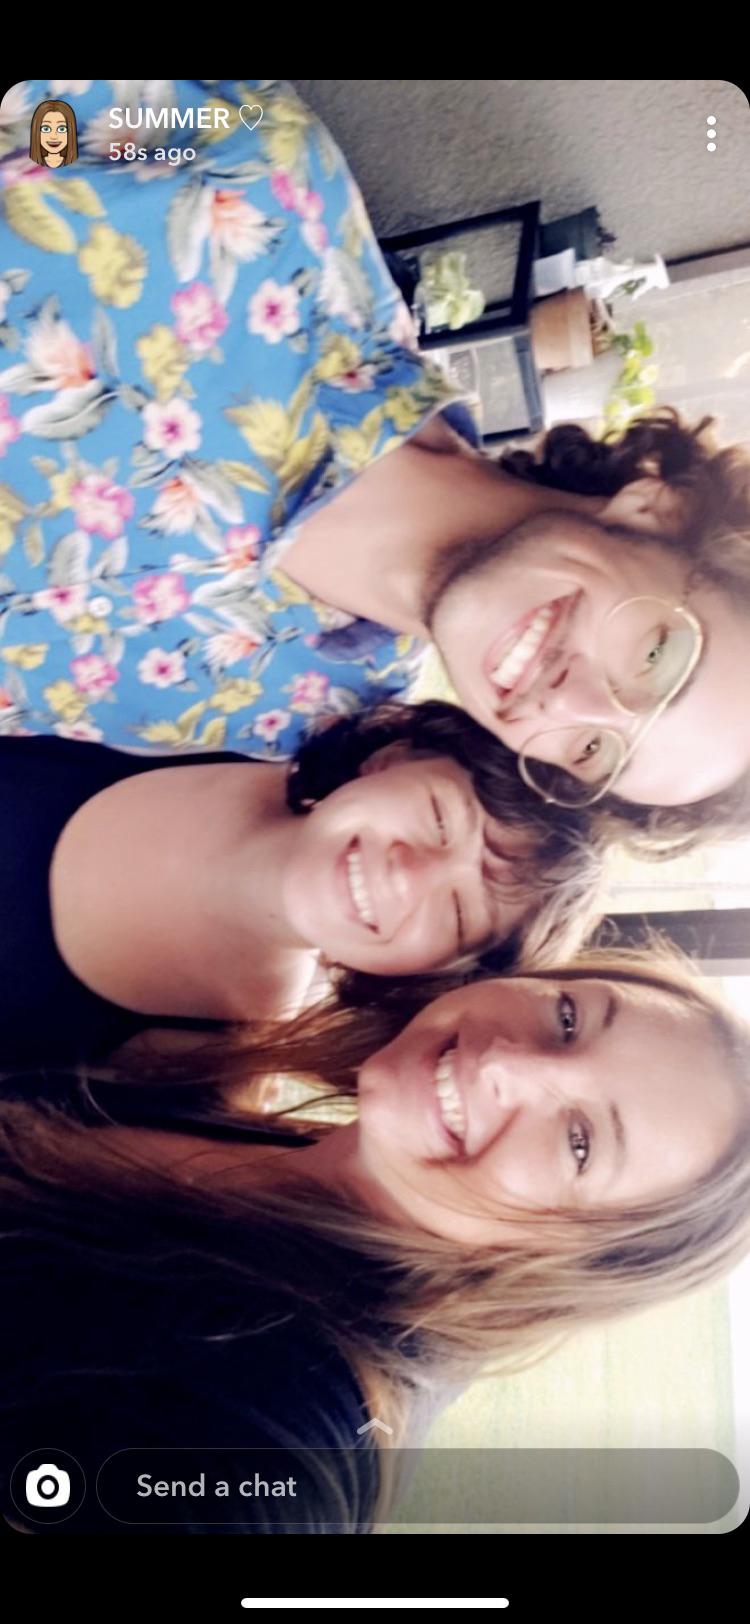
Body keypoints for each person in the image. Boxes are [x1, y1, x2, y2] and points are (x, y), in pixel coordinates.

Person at [1, 80, 750, 854]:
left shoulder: (284, 729)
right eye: (656, 657)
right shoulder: (255, 169)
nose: (571, 702)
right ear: (660, 511)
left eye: (595, 752)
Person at [2, 948, 749, 1534]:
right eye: (568, 1017)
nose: (504, 1064)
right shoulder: (288, 1140)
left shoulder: (278, 1437)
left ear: (572, 1263)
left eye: (580, 1143)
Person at [0, 700, 604, 1071]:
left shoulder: (221, 1053)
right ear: (392, 759)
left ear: (428, 973)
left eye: (456, 915)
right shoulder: (222, 720)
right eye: (441, 819)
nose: (409, 873)